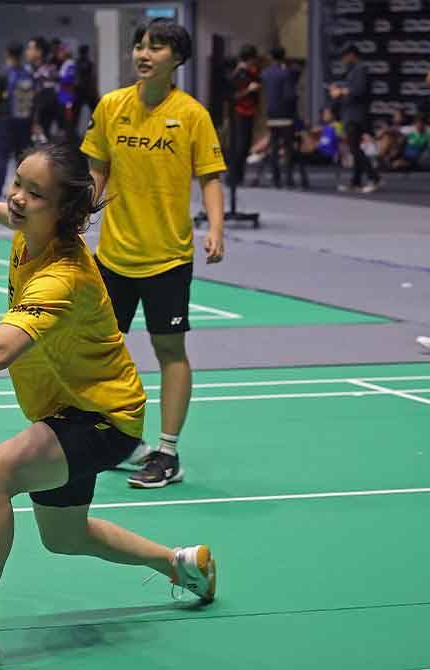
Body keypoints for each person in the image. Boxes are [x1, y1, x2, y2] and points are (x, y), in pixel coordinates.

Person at [0, 144, 216, 670]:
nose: (19, 199)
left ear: (64, 211)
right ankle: (181, 565)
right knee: (65, 536)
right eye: (18, 183)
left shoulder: (62, 276)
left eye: (35, 193)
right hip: (68, 405)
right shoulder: (34, 230)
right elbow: (12, 213)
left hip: (101, 417)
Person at [81, 18, 227, 488]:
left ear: (178, 60)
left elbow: (209, 176)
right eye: (140, 47)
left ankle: (166, 452)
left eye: (157, 48)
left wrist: (217, 228)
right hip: (114, 254)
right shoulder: (111, 107)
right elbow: (98, 170)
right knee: (100, 350)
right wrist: (80, 213)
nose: (144, 55)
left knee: (169, 350)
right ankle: (123, 441)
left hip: (167, 257)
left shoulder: (191, 115)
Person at [329, 44, 381, 193]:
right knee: (354, 148)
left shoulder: (361, 69)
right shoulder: (353, 70)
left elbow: (359, 91)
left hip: (356, 115)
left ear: (352, 54)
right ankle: (356, 181)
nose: (343, 59)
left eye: (345, 56)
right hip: (350, 114)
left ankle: (374, 178)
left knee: (355, 149)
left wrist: (341, 92)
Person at [0, 42, 34, 198]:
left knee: (1, 155)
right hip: (24, 121)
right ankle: (23, 187)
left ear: (7, 53)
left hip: (5, 120)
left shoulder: (2, 74)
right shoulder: (28, 74)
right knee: (22, 157)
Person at [260, 47, 300, 188]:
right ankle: (288, 178)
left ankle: (275, 178)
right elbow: (290, 95)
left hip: (272, 113)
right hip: (286, 114)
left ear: (271, 57)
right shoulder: (286, 73)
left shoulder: (265, 73)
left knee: (274, 146)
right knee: (288, 147)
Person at [227, 44, 261, 189]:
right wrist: (249, 90)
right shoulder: (237, 74)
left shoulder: (251, 73)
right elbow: (232, 96)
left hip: (249, 111)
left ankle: (239, 176)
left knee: (246, 145)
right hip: (239, 112)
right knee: (239, 145)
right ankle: (233, 176)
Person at [26, 37, 58, 142]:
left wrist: (36, 121)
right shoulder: (30, 71)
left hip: (41, 120)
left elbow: (45, 101)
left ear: (39, 52)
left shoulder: (46, 73)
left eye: (30, 48)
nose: (27, 52)